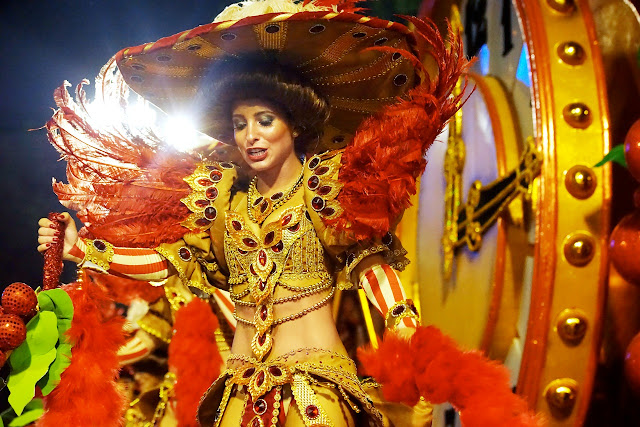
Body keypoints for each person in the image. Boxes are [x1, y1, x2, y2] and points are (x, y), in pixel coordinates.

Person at [37, 1, 470, 425]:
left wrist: (401, 320)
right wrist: (85, 250)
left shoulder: (326, 191)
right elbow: (170, 261)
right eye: (240, 124)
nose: (251, 136)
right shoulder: (220, 204)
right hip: (239, 391)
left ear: (295, 124)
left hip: (315, 386)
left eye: (265, 120)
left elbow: (367, 261)